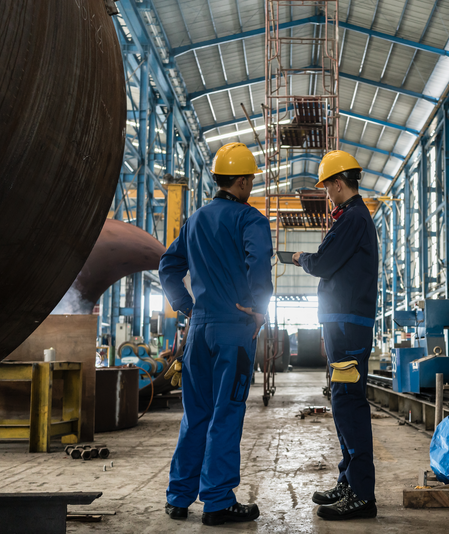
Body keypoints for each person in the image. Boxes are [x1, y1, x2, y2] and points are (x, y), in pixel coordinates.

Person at [159, 142, 273, 526]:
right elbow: (258, 261)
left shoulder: (194, 220)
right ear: (241, 181)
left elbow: (168, 266)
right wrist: (260, 306)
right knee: (226, 413)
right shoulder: (250, 220)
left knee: (196, 415)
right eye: (251, 180)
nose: (251, 186)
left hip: (199, 331)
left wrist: (188, 307)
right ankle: (219, 501)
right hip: (234, 331)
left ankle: (178, 497)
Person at [292, 150, 379, 521]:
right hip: (341, 323)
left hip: (347, 325)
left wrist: (298, 258)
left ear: (338, 184)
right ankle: (349, 480)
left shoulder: (354, 218)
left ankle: (361, 494)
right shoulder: (350, 218)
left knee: (349, 403)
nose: (327, 193)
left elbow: (324, 263)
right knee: (341, 401)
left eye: (327, 187)